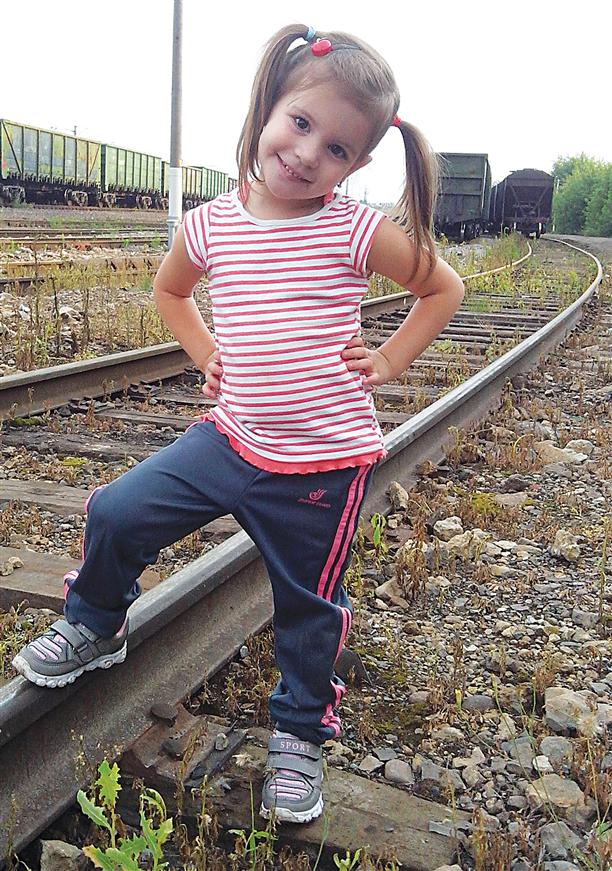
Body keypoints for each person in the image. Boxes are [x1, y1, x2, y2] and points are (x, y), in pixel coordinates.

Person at [13, 24, 464, 824]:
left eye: (335, 148)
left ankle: (300, 731)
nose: (307, 153)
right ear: (268, 107)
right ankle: (96, 622)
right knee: (117, 510)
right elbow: (170, 292)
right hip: (230, 438)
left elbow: (443, 289)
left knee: (308, 609)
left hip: (323, 464)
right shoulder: (211, 225)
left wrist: (390, 360)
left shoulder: (354, 230)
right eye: (300, 123)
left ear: (357, 165)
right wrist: (206, 351)